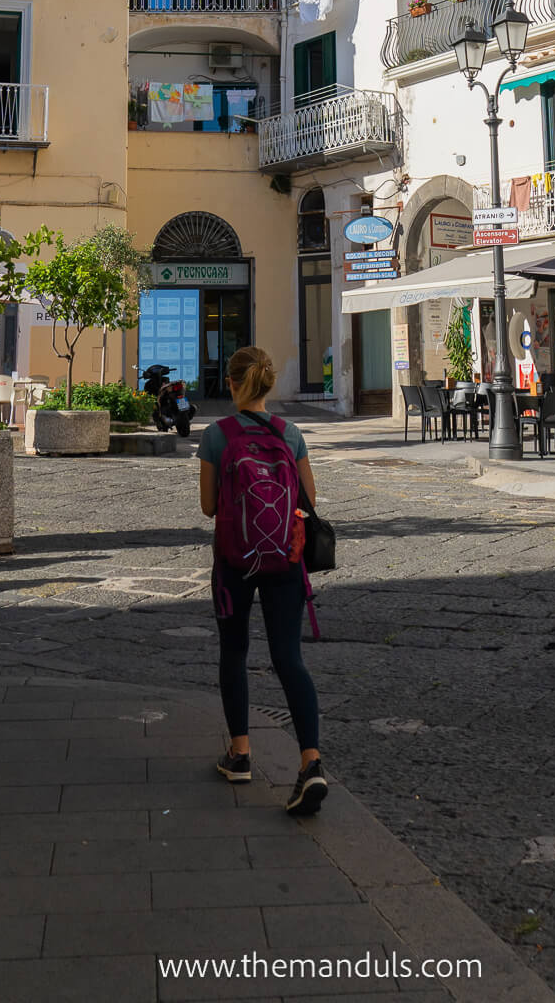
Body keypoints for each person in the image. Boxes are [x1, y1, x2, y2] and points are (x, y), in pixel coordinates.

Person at [198, 345, 327, 818]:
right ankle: (310, 763)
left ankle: (240, 754)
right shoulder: (289, 434)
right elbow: (309, 499)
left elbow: (209, 507)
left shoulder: (216, 435)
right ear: (269, 384)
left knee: (234, 653)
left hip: (234, 561)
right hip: (285, 560)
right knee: (288, 658)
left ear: (231, 384)